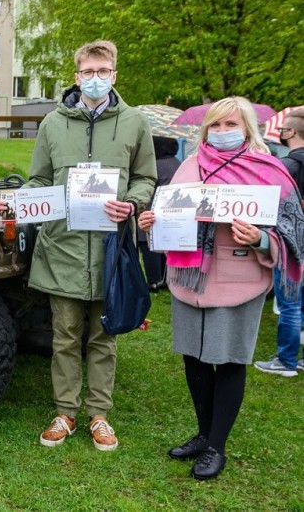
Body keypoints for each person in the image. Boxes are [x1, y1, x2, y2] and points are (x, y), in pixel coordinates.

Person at [0, 40, 156, 452]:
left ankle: (98, 415)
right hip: (62, 246)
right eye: (89, 72)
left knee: (104, 336)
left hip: (109, 249)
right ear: (77, 75)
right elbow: (38, 180)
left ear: (114, 75)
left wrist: (133, 202)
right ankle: (65, 412)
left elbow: (145, 178)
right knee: (64, 336)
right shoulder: (52, 123)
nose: (96, 78)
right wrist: (17, 200)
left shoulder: (135, 122)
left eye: (103, 71)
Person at [138, 97, 303, 480]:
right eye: (216, 125)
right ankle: (202, 433)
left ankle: (217, 446)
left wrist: (262, 238)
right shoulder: (190, 167)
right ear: (205, 130)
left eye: (231, 125)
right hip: (188, 278)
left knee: (228, 359)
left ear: (247, 128)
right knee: (193, 356)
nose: (223, 132)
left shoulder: (270, 171)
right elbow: (170, 217)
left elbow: (293, 230)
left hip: (238, 279)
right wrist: (152, 222)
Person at [254, 107, 304, 377]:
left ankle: (286, 361)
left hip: (292, 241)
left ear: (292, 132)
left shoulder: (288, 166)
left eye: (283, 129)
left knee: (290, 304)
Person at [138, 136, 182, 291]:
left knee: (148, 247)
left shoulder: (156, 165)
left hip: (151, 209)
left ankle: (153, 280)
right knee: (165, 247)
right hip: (172, 210)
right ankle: (165, 278)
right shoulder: (177, 163)